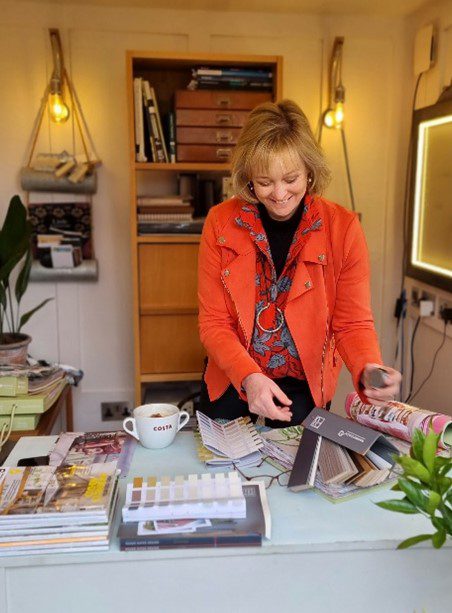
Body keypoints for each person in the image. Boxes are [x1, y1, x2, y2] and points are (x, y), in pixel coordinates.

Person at [197, 99, 401, 427]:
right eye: (264, 182)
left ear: (309, 170)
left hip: (304, 378)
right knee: (221, 470)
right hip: (233, 372)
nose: (279, 194)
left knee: (295, 472)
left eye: (290, 178)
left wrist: (368, 367)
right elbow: (214, 323)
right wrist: (249, 376)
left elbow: (352, 323)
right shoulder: (220, 223)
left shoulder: (343, 228)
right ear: (248, 177)